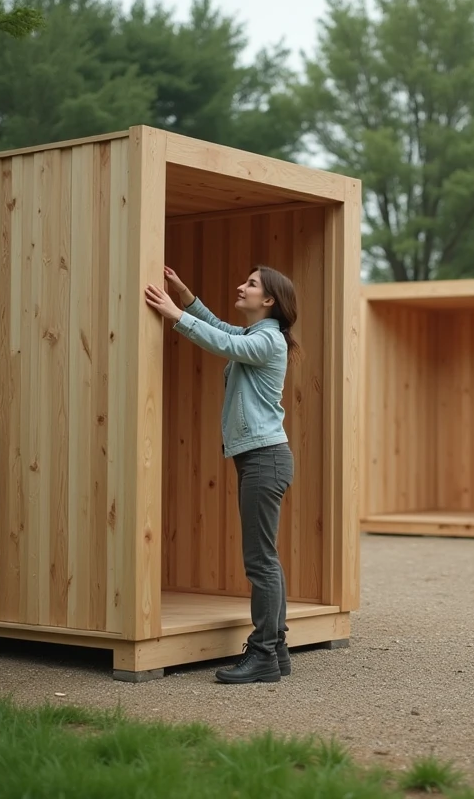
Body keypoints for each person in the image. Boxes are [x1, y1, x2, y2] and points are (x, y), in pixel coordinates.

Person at [144, 264, 299, 684]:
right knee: (266, 558)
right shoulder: (257, 335)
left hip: (265, 459)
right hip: (261, 458)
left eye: (250, 284)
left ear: (269, 300)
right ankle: (277, 649)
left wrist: (176, 316)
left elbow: (220, 342)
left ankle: (265, 652)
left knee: (260, 561)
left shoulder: (267, 339)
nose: (240, 286)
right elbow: (223, 330)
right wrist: (186, 296)